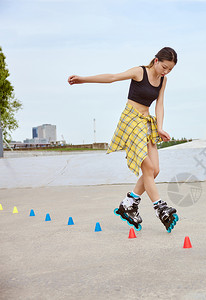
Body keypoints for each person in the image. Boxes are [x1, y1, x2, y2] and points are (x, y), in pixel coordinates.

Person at [68, 47, 179, 233]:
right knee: (148, 168)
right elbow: (112, 77)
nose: (166, 72)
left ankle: (129, 203)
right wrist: (83, 79)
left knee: (155, 170)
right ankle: (160, 207)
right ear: (156, 60)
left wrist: (159, 127)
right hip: (131, 120)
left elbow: (160, 104)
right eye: (165, 67)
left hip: (146, 123)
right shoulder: (139, 72)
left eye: (170, 70)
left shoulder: (163, 80)